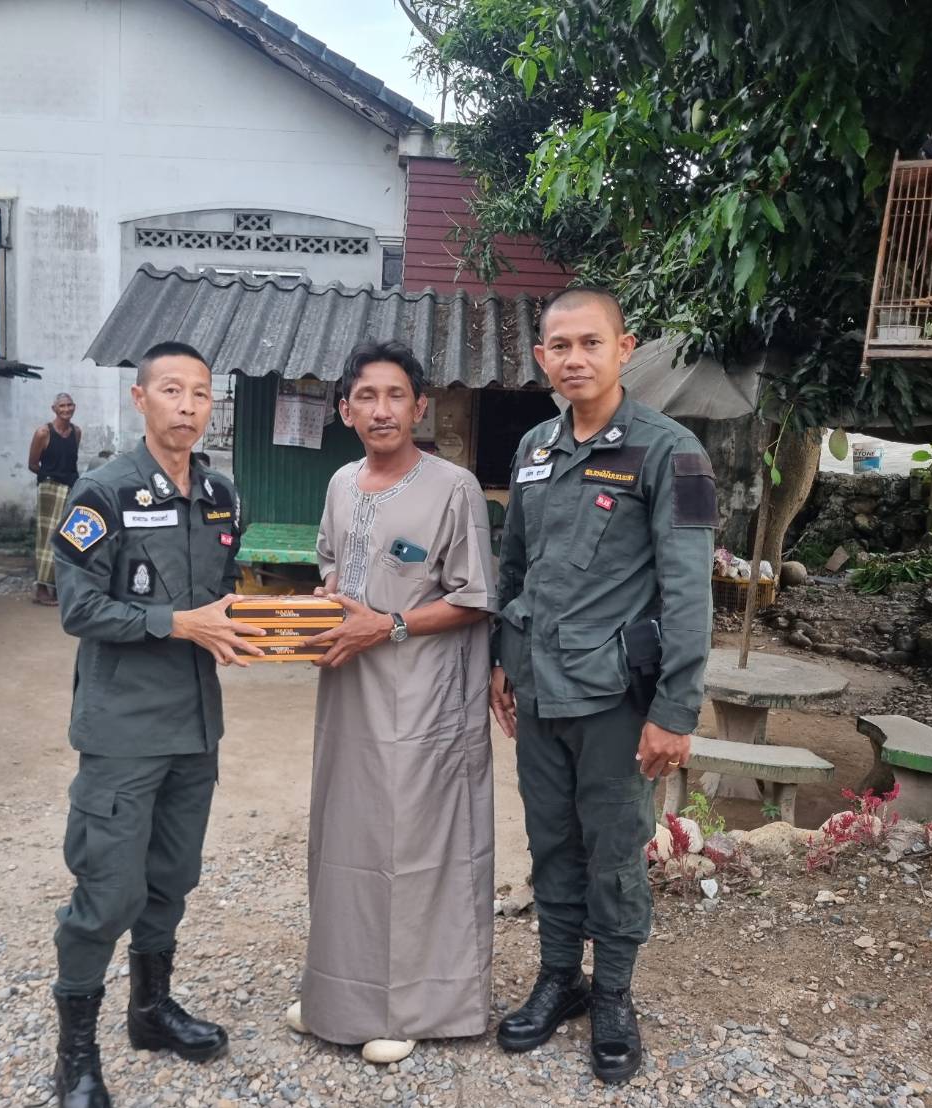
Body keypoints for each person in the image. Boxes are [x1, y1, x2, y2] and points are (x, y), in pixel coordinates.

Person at [490, 287, 716, 1084]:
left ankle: (613, 994)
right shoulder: (533, 448)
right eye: (559, 345)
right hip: (539, 688)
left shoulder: (672, 452)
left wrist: (674, 710)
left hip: (616, 700)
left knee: (614, 854)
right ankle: (560, 978)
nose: (574, 358)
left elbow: (688, 592)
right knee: (551, 842)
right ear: (541, 357)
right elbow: (513, 562)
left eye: (590, 342)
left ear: (624, 349)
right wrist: (500, 658)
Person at [47, 341, 265, 1108]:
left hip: (194, 726)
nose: (187, 405)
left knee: (171, 877)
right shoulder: (103, 493)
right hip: (122, 728)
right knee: (108, 890)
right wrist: (177, 623)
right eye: (171, 390)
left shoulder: (221, 496)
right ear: (140, 399)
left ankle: (150, 1011)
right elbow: (77, 607)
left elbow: (220, 602)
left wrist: (255, 629)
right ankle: (75, 1056)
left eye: (200, 393)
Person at [285, 340, 496, 1065]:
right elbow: (330, 563)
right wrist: (322, 606)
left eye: (396, 395)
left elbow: (475, 597)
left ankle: (410, 1005)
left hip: (424, 698)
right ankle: (339, 991)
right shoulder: (341, 483)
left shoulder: (454, 488)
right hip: (348, 685)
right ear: (345, 410)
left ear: (419, 406)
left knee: (412, 843)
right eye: (366, 397)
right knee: (346, 834)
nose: (382, 409)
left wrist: (389, 624)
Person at [29, 393, 82, 606]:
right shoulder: (43, 433)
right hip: (50, 489)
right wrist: (51, 476)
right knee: (47, 538)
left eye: (69, 405)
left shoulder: (76, 432)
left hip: (71, 487)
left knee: (67, 537)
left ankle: (59, 586)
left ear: (74, 407)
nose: (66, 409)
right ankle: (42, 589)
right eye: (62, 406)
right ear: (54, 409)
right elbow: (33, 464)